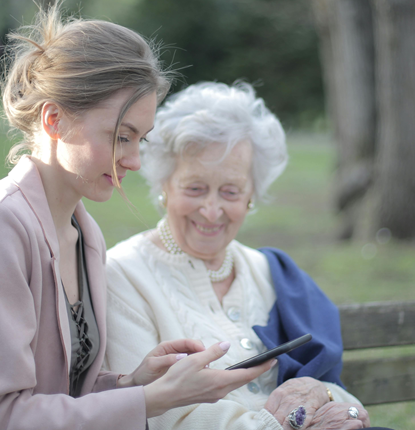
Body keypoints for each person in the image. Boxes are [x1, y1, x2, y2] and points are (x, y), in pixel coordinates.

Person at [0, 6, 271, 430]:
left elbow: (62, 393)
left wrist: (132, 382)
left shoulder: (84, 233)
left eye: (140, 139)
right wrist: (148, 400)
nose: (134, 160)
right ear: (54, 120)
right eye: (121, 137)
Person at [104, 82, 391, 430]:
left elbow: (336, 393)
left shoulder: (271, 272)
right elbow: (161, 415)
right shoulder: (122, 276)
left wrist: (329, 399)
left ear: (251, 195)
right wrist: (280, 424)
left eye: (230, 191)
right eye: (195, 188)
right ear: (164, 185)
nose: (211, 210)